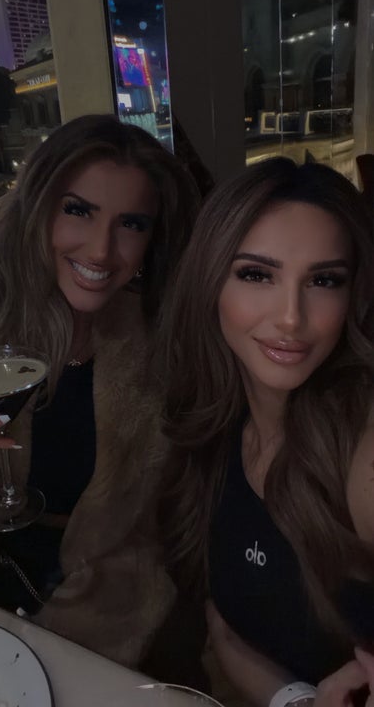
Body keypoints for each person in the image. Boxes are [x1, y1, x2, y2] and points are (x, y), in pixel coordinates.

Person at [0, 113, 201, 668]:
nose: (101, 250)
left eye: (131, 223)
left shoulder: (165, 338)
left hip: (109, 597)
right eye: (78, 211)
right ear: (39, 209)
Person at [162, 158, 374, 706]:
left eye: (324, 281)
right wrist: (296, 700)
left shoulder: (362, 446)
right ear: (210, 282)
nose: (290, 318)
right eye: (257, 274)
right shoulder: (214, 426)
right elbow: (225, 624)